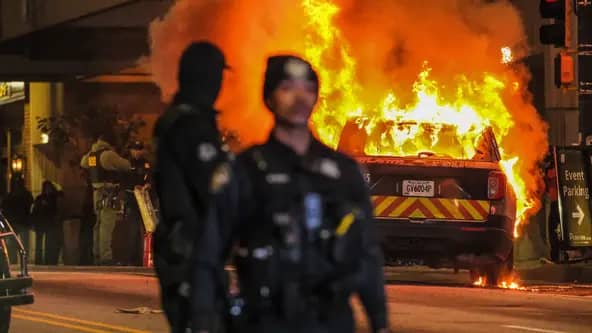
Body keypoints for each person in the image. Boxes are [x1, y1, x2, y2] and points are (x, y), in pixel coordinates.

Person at [228, 55, 389, 333]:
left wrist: (380, 323)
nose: (299, 97)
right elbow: (209, 249)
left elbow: (366, 255)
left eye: (308, 89)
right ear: (269, 98)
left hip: (329, 320)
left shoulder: (343, 172)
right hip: (265, 321)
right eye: (287, 88)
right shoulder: (247, 170)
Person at [152, 41, 232, 333]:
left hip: (185, 248)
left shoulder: (178, 119)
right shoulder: (191, 126)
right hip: (191, 250)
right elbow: (217, 188)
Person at [80, 133, 131, 265]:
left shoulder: (91, 155)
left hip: (96, 192)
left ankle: (96, 254)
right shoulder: (108, 154)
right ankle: (106, 257)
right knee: (107, 225)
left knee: (98, 225)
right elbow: (126, 165)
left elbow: (83, 163)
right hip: (108, 192)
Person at [118, 140, 151, 266]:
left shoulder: (146, 163)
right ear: (130, 150)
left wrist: (147, 185)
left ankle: (141, 259)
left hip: (144, 200)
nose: (137, 152)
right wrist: (132, 188)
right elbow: (122, 182)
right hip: (131, 199)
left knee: (144, 230)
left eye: (139, 149)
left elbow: (149, 177)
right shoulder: (126, 163)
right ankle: (129, 259)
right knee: (131, 230)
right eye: (134, 149)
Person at [1, 177, 33, 263]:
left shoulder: (24, 195)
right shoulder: (11, 195)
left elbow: (28, 206)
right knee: (14, 244)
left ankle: (22, 261)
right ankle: (14, 260)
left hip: (21, 222)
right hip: (14, 223)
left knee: (23, 244)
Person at [31, 180, 62, 265]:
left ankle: (49, 260)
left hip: (49, 223)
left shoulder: (54, 198)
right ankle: (39, 260)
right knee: (39, 244)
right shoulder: (40, 198)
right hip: (41, 223)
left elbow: (56, 210)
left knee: (49, 243)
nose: (47, 190)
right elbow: (35, 211)